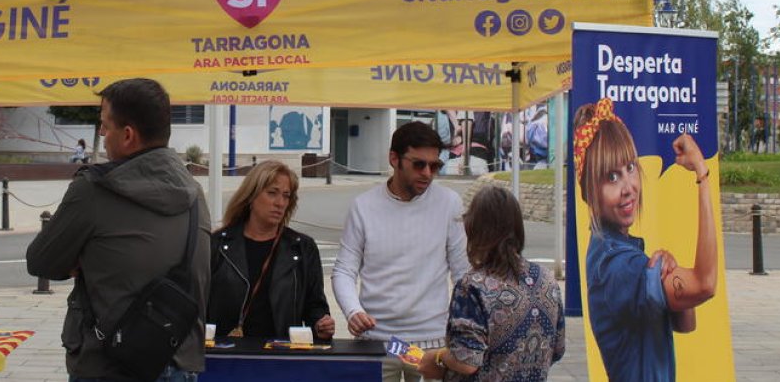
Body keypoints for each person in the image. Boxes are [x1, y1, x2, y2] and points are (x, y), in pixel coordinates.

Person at [25, 78, 210, 382]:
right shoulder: (194, 194)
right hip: (178, 362)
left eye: (104, 125)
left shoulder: (93, 190)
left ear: (127, 135)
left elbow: (41, 261)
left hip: (108, 365)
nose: (101, 133)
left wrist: (87, 257)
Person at [574, 97, 717, 382]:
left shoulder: (620, 252)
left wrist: (669, 268)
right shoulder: (618, 266)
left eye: (630, 168)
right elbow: (705, 284)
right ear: (590, 193)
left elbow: (685, 323)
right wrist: (702, 175)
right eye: (611, 177)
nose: (628, 187)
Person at [332, 121, 470, 382]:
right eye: (419, 164)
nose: (428, 173)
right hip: (378, 341)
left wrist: (464, 331)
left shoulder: (449, 203)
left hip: (432, 343)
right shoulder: (363, 206)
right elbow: (344, 269)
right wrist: (353, 311)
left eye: (435, 165)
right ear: (394, 159)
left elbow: (463, 272)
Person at [416, 186, 566, 381]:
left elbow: (466, 360)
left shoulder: (473, 287)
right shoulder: (546, 281)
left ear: (475, 230)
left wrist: (437, 356)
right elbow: (558, 348)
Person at [208, 160, 334, 340]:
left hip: (281, 357)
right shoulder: (218, 245)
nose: (280, 203)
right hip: (227, 356)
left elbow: (316, 307)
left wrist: (321, 325)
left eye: (286, 195)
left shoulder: (302, 248)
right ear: (251, 196)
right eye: (272, 193)